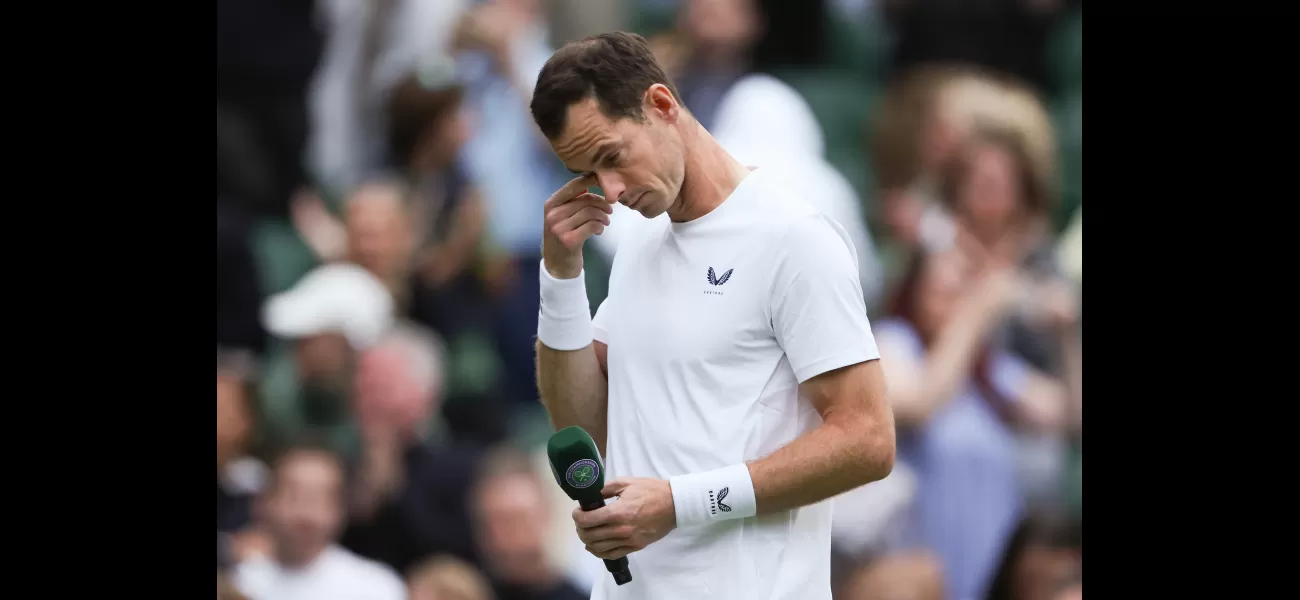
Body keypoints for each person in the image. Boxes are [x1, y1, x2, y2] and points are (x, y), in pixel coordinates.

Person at [528, 32, 896, 600]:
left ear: (662, 105)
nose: (610, 190)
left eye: (612, 157)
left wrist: (679, 505)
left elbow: (868, 440)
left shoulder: (794, 238)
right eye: (587, 175)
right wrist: (561, 278)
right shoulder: (638, 246)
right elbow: (581, 427)